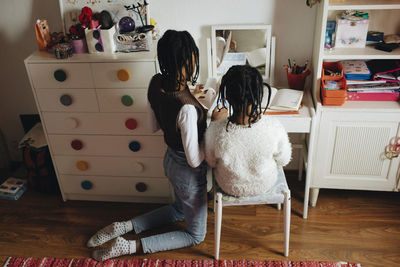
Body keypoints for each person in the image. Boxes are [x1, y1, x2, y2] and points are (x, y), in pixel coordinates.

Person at [86, 30, 208, 261]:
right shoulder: (187, 108)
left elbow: (153, 126)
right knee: (195, 235)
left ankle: (124, 226)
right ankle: (129, 246)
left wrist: (189, 104)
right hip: (187, 172)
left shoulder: (155, 82)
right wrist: (210, 147)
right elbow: (194, 159)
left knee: (178, 209)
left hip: (170, 162)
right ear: (186, 61)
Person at [205, 65, 292, 197]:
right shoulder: (274, 127)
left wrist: (216, 122)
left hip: (229, 185)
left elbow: (210, 161)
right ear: (258, 95)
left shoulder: (216, 130)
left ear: (227, 97)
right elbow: (283, 160)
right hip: (264, 183)